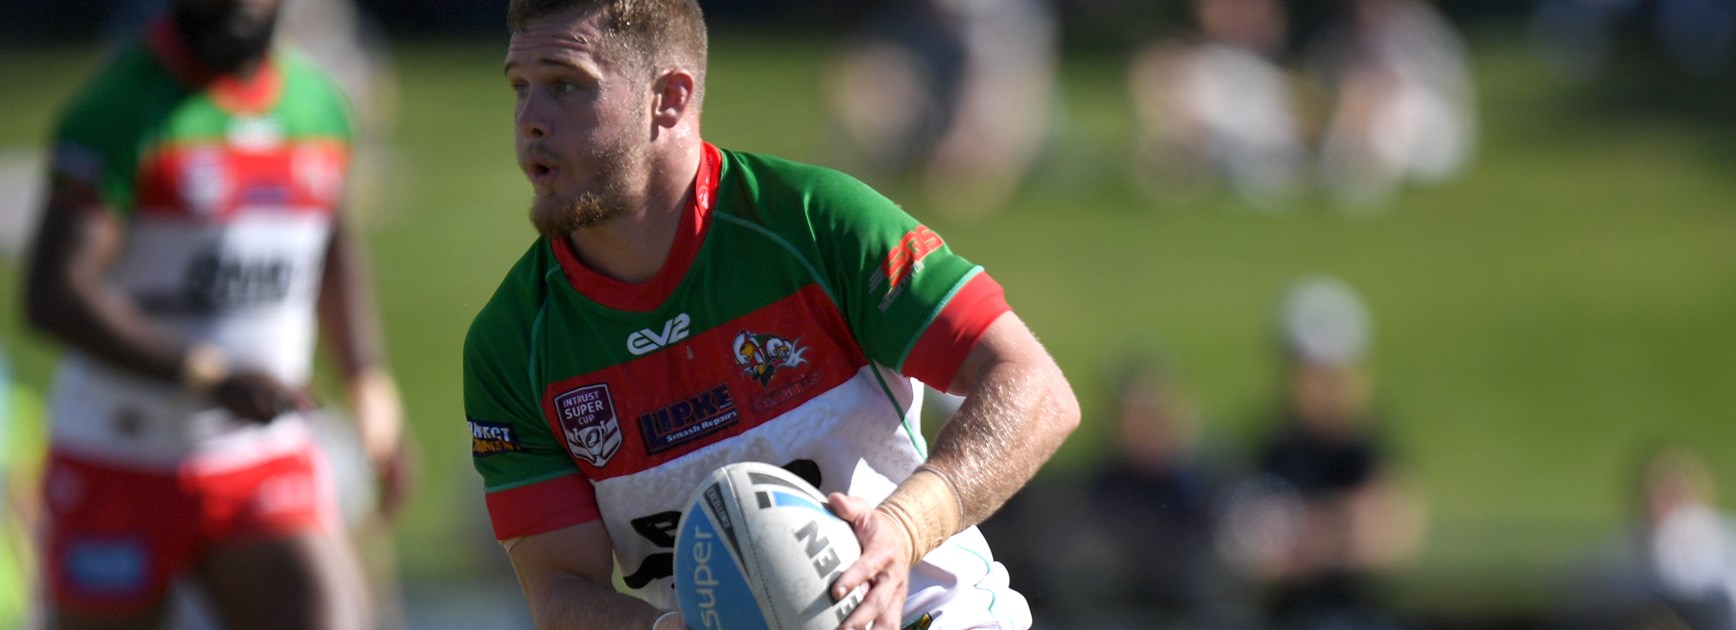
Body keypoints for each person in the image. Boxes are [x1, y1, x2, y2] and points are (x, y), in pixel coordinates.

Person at [462, 1, 1081, 629]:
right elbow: (559, 587)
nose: (530, 120)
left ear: (668, 99)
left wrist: (902, 528)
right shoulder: (512, 343)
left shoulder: (815, 223)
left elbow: (1035, 387)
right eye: (520, 87)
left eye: (566, 85)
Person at [22, 0, 410, 627]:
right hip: (118, 458)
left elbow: (332, 246)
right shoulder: (116, 110)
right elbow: (54, 294)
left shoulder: (319, 105)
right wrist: (205, 375)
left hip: (260, 454)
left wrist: (368, 383)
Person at [1222, 276, 1423, 629]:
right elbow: (1248, 548)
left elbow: (1390, 537)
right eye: (1312, 371)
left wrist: (1303, 533)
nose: (1324, 386)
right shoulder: (1269, 448)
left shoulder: (1367, 446)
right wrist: (1341, 526)